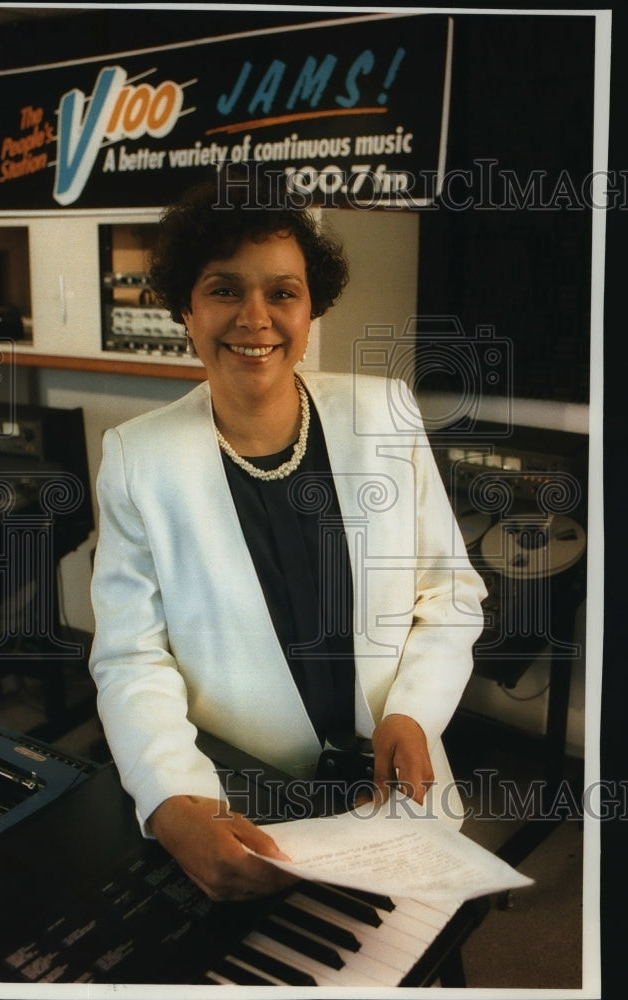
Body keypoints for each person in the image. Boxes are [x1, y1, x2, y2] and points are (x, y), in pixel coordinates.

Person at [89, 170, 487, 903]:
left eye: (282, 292)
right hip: (241, 799)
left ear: (311, 309)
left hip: (394, 788)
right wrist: (173, 799)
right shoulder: (137, 460)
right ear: (186, 307)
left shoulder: (387, 414)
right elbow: (131, 657)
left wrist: (413, 713)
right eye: (223, 289)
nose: (255, 317)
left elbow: (451, 592)